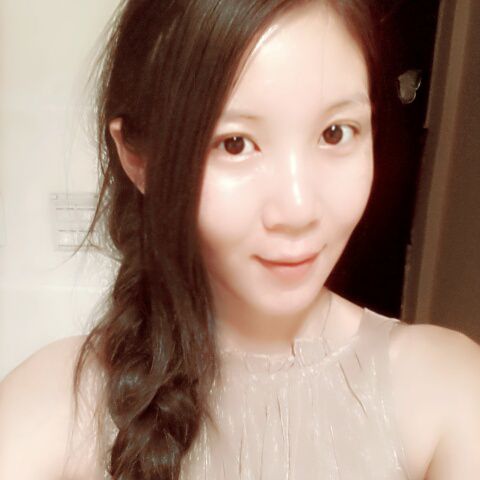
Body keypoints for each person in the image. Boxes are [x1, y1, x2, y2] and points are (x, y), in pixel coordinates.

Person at [1, 1, 479, 479]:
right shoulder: (58, 405)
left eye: (335, 133)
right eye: (235, 144)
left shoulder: (445, 392)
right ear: (137, 157)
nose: (298, 210)